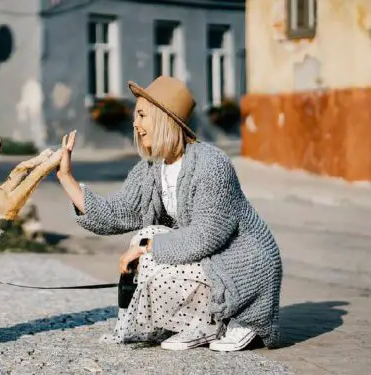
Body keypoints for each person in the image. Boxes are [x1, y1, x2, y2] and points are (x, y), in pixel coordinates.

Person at [56, 76, 282, 351]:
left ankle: (227, 319)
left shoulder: (212, 165)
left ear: (164, 118)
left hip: (242, 265)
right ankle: (199, 323)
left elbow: (205, 237)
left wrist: (145, 249)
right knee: (146, 235)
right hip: (209, 259)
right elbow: (116, 213)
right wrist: (67, 178)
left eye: (142, 115)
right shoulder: (153, 168)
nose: (135, 124)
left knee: (148, 247)